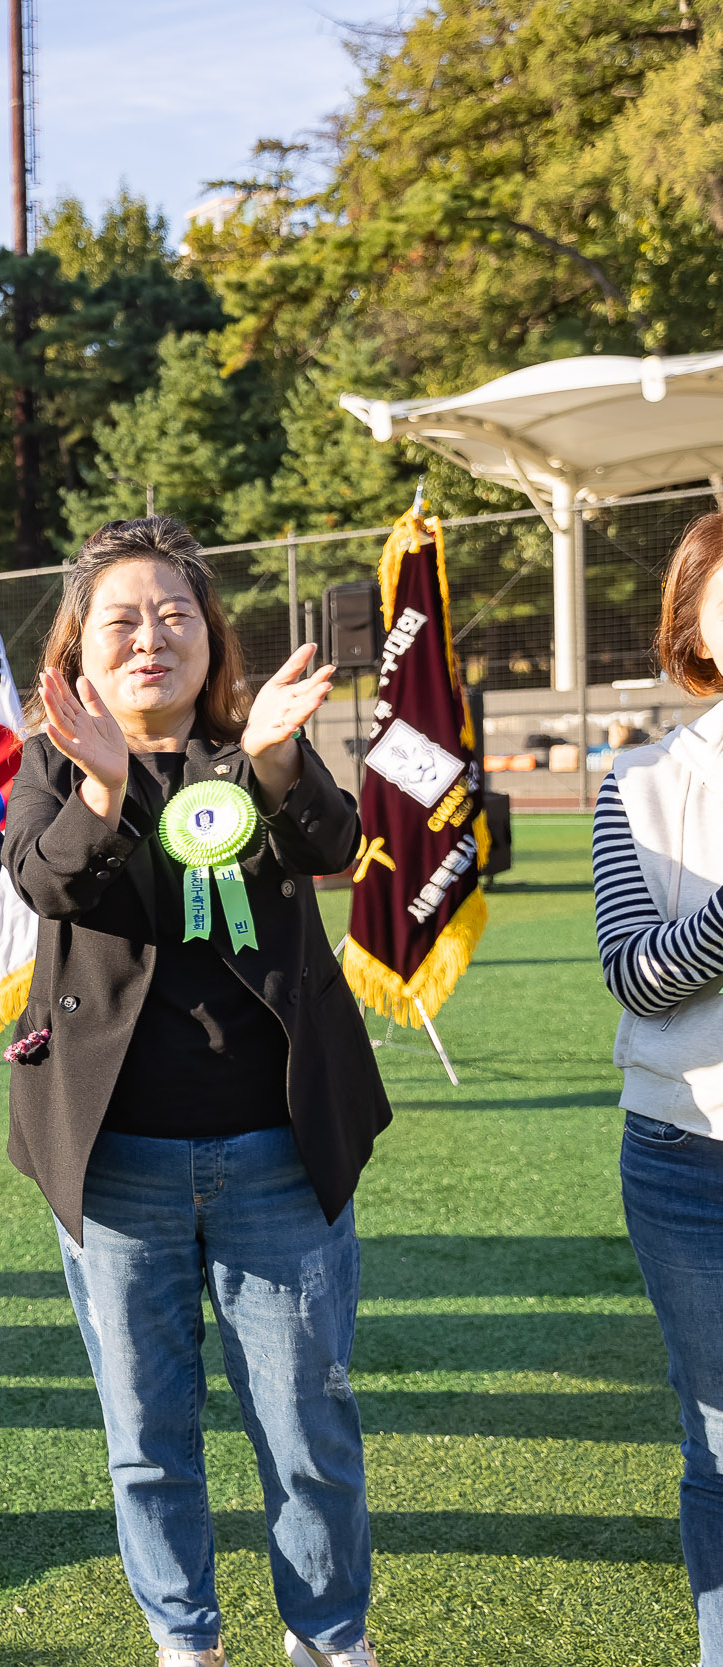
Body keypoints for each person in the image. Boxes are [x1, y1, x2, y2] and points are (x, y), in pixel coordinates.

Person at [4, 517, 383, 1667]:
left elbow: (333, 841)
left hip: (277, 1149)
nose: (150, 635)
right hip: (119, 1164)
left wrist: (273, 763)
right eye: (120, 618)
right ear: (79, 649)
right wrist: (107, 788)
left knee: (306, 1426)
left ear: (213, 640)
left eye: (174, 613)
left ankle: (326, 1634)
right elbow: (45, 880)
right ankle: (185, 1638)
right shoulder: (53, 769)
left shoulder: (258, 751)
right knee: (146, 1432)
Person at [595, 510, 723, 1666]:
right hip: (689, 1157)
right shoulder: (639, 779)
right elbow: (637, 973)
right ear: (695, 620)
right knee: (721, 1436)